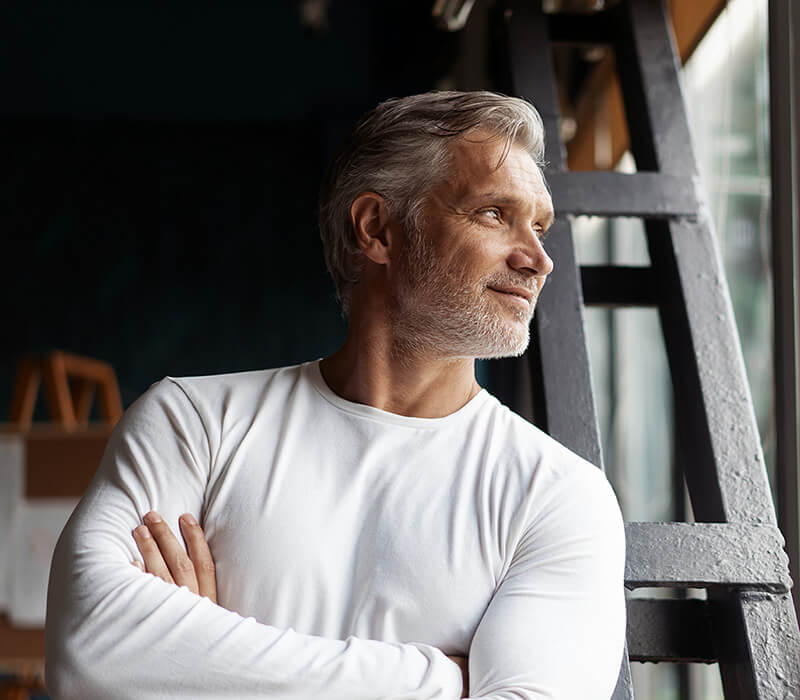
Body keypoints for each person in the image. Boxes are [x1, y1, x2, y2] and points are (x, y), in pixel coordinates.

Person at [45, 91, 626, 700]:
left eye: (539, 226)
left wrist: (196, 661)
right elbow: (89, 653)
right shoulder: (193, 424)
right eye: (494, 214)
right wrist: (443, 679)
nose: (538, 259)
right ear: (377, 228)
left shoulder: (559, 496)